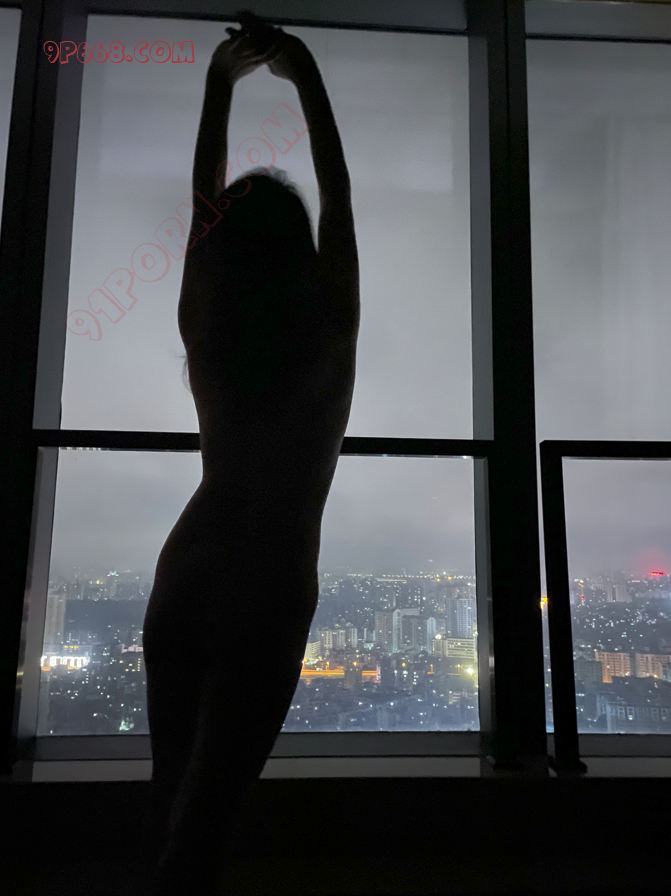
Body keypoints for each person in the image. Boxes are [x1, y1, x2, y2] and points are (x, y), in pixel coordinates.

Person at [141, 12, 359, 894]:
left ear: (222, 253)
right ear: (301, 250)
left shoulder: (210, 331)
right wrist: (303, 78)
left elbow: (204, 204)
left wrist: (217, 86)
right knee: (206, 824)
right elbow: (339, 196)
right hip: (270, 571)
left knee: (170, 797)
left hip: (190, 559)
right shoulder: (327, 333)